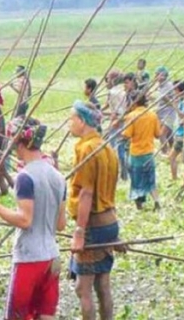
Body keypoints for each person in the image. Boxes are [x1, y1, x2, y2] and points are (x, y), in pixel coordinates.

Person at [0, 117, 66, 320]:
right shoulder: (58, 177)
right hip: (52, 257)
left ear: (20, 143)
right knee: (45, 314)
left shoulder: (25, 177)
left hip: (29, 259)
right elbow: (61, 224)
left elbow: (25, 220)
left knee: (17, 315)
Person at [68, 100, 124, 320]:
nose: (69, 125)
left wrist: (80, 232)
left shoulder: (87, 149)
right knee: (103, 285)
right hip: (109, 222)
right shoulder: (107, 147)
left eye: (72, 120)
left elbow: (86, 193)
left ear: (82, 121)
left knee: (83, 288)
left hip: (92, 223)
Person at [122, 95, 162, 211]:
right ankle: (157, 201)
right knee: (150, 178)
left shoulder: (131, 116)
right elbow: (158, 135)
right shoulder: (153, 115)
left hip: (136, 153)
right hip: (149, 152)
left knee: (136, 180)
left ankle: (139, 206)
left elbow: (127, 135)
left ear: (134, 103)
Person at [168, 81, 184, 181]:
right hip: (180, 133)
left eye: (175, 89)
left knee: (172, 157)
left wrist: (175, 106)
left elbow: (183, 116)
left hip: (182, 134)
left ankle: (175, 178)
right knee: (183, 158)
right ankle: (179, 177)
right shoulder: (182, 100)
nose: (173, 91)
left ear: (179, 90)